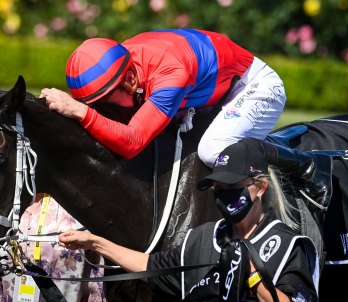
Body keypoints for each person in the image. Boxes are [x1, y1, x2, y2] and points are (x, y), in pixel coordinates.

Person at [40, 29, 331, 203]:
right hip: (208, 93)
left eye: (104, 102)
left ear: (129, 79)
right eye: (93, 103)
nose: (102, 108)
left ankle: (303, 163)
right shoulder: (124, 62)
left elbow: (131, 141)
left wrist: (80, 111)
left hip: (254, 87)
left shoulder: (170, 72)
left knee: (211, 150)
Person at [59, 138, 320, 302]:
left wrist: (252, 274)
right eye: (217, 186)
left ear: (260, 187)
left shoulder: (289, 246)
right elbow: (149, 265)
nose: (223, 193)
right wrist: (94, 242)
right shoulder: (204, 237)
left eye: (232, 185)